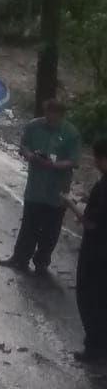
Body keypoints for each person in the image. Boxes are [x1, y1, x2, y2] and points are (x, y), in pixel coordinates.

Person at [0, 98, 81, 275]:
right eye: (48, 114)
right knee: (29, 224)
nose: (50, 118)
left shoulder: (71, 133)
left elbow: (74, 161)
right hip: (36, 186)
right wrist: (30, 155)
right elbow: (24, 146)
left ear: (61, 115)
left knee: (51, 228)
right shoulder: (33, 126)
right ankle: (20, 257)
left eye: (55, 116)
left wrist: (55, 164)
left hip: (57, 187)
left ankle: (42, 261)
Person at [63, 137, 107, 364]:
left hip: (97, 252)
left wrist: (72, 205)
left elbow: (91, 223)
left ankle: (94, 348)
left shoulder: (103, 186)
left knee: (91, 299)